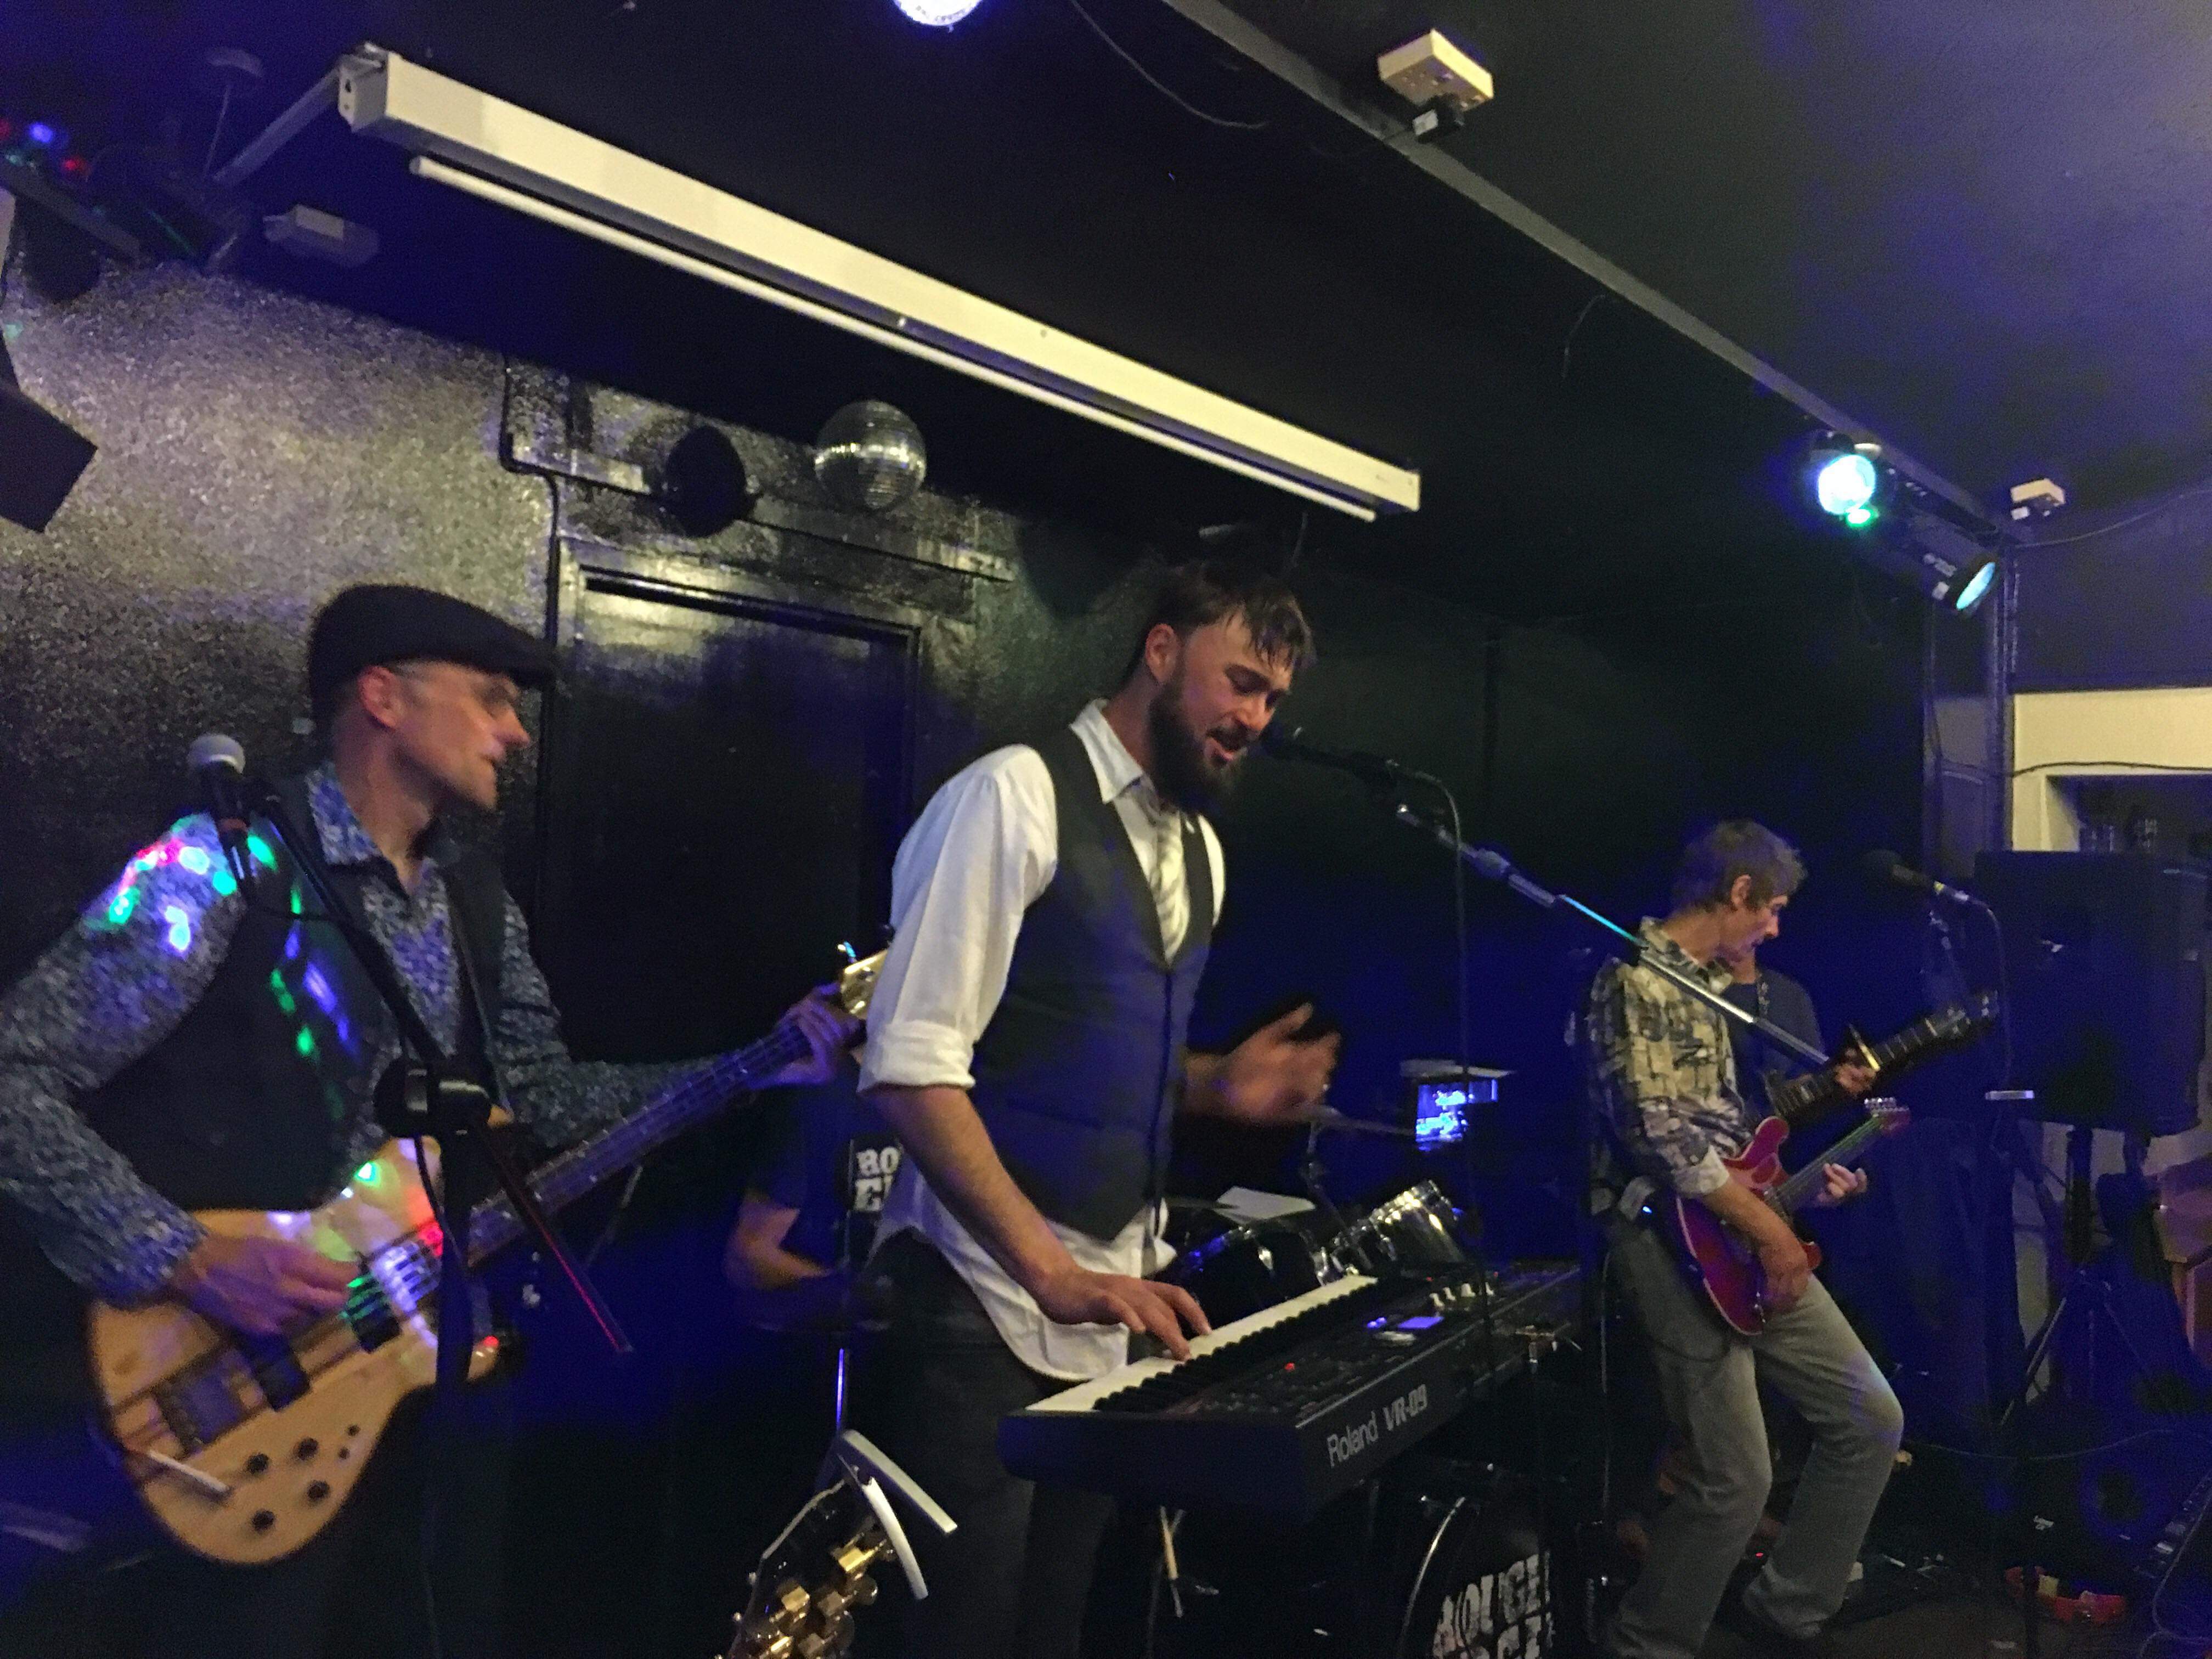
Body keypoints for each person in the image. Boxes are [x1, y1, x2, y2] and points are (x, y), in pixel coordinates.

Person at [0, 584, 853, 1659]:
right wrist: (183, 1255)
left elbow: (538, 1098)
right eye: (490, 698)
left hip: (420, 1388)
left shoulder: (475, 902)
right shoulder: (220, 865)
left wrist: (755, 1068)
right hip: (229, 1385)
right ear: (384, 698)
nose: (515, 732)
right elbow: (15, 1077)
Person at [851, 558, 1340, 1659]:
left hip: (1105, 1314)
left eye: (1273, 699)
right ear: (1161, 652)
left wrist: (1216, 1085)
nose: (1256, 719)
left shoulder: (1202, 851)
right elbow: (911, 1066)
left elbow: (1075, 1046)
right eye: (1242, 682)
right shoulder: (1010, 797)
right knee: (957, 1640)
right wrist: (1051, 1273)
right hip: (975, 1307)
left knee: (1053, 1634)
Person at [1585, 821, 1901, 1659]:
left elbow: (1726, 1135)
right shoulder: (1636, 980)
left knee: (1869, 1417)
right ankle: (1647, 1644)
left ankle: (1787, 1610)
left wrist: (1786, 1193)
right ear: (1737, 893)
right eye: (1773, 909)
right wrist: (1774, 1234)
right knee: (1735, 1478)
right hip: (1667, 1239)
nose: (1774, 928)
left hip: (1736, 1230)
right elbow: (1662, 1140)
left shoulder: (1708, 986)